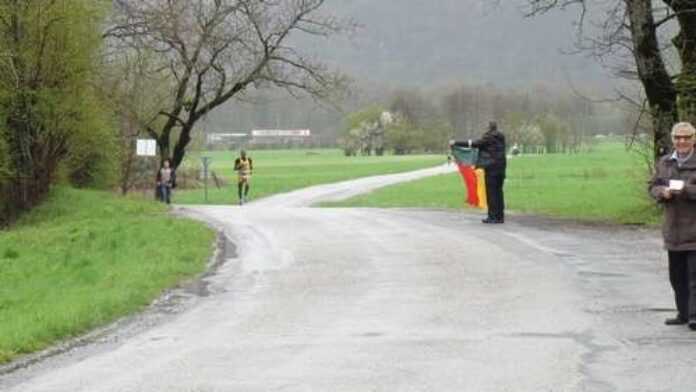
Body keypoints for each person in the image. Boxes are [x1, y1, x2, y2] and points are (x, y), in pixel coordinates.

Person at [648, 121, 696, 329]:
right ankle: (683, 314)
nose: (682, 141)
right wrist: (662, 193)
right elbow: (653, 185)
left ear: (694, 139)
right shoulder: (665, 162)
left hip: (694, 231)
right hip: (672, 231)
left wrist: (686, 189)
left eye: (686, 137)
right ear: (673, 139)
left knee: (694, 279)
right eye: (678, 137)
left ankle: (695, 317)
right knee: (676, 278)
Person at [450, 121, 507, 224]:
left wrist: (456, 142)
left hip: (491, 169)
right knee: (499, 193)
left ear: (488, 128)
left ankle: (492, 217)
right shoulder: (501, 137)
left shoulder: (488, 137)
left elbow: (475, 144)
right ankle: (500, 217)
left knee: (491, 194)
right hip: (501, 169)